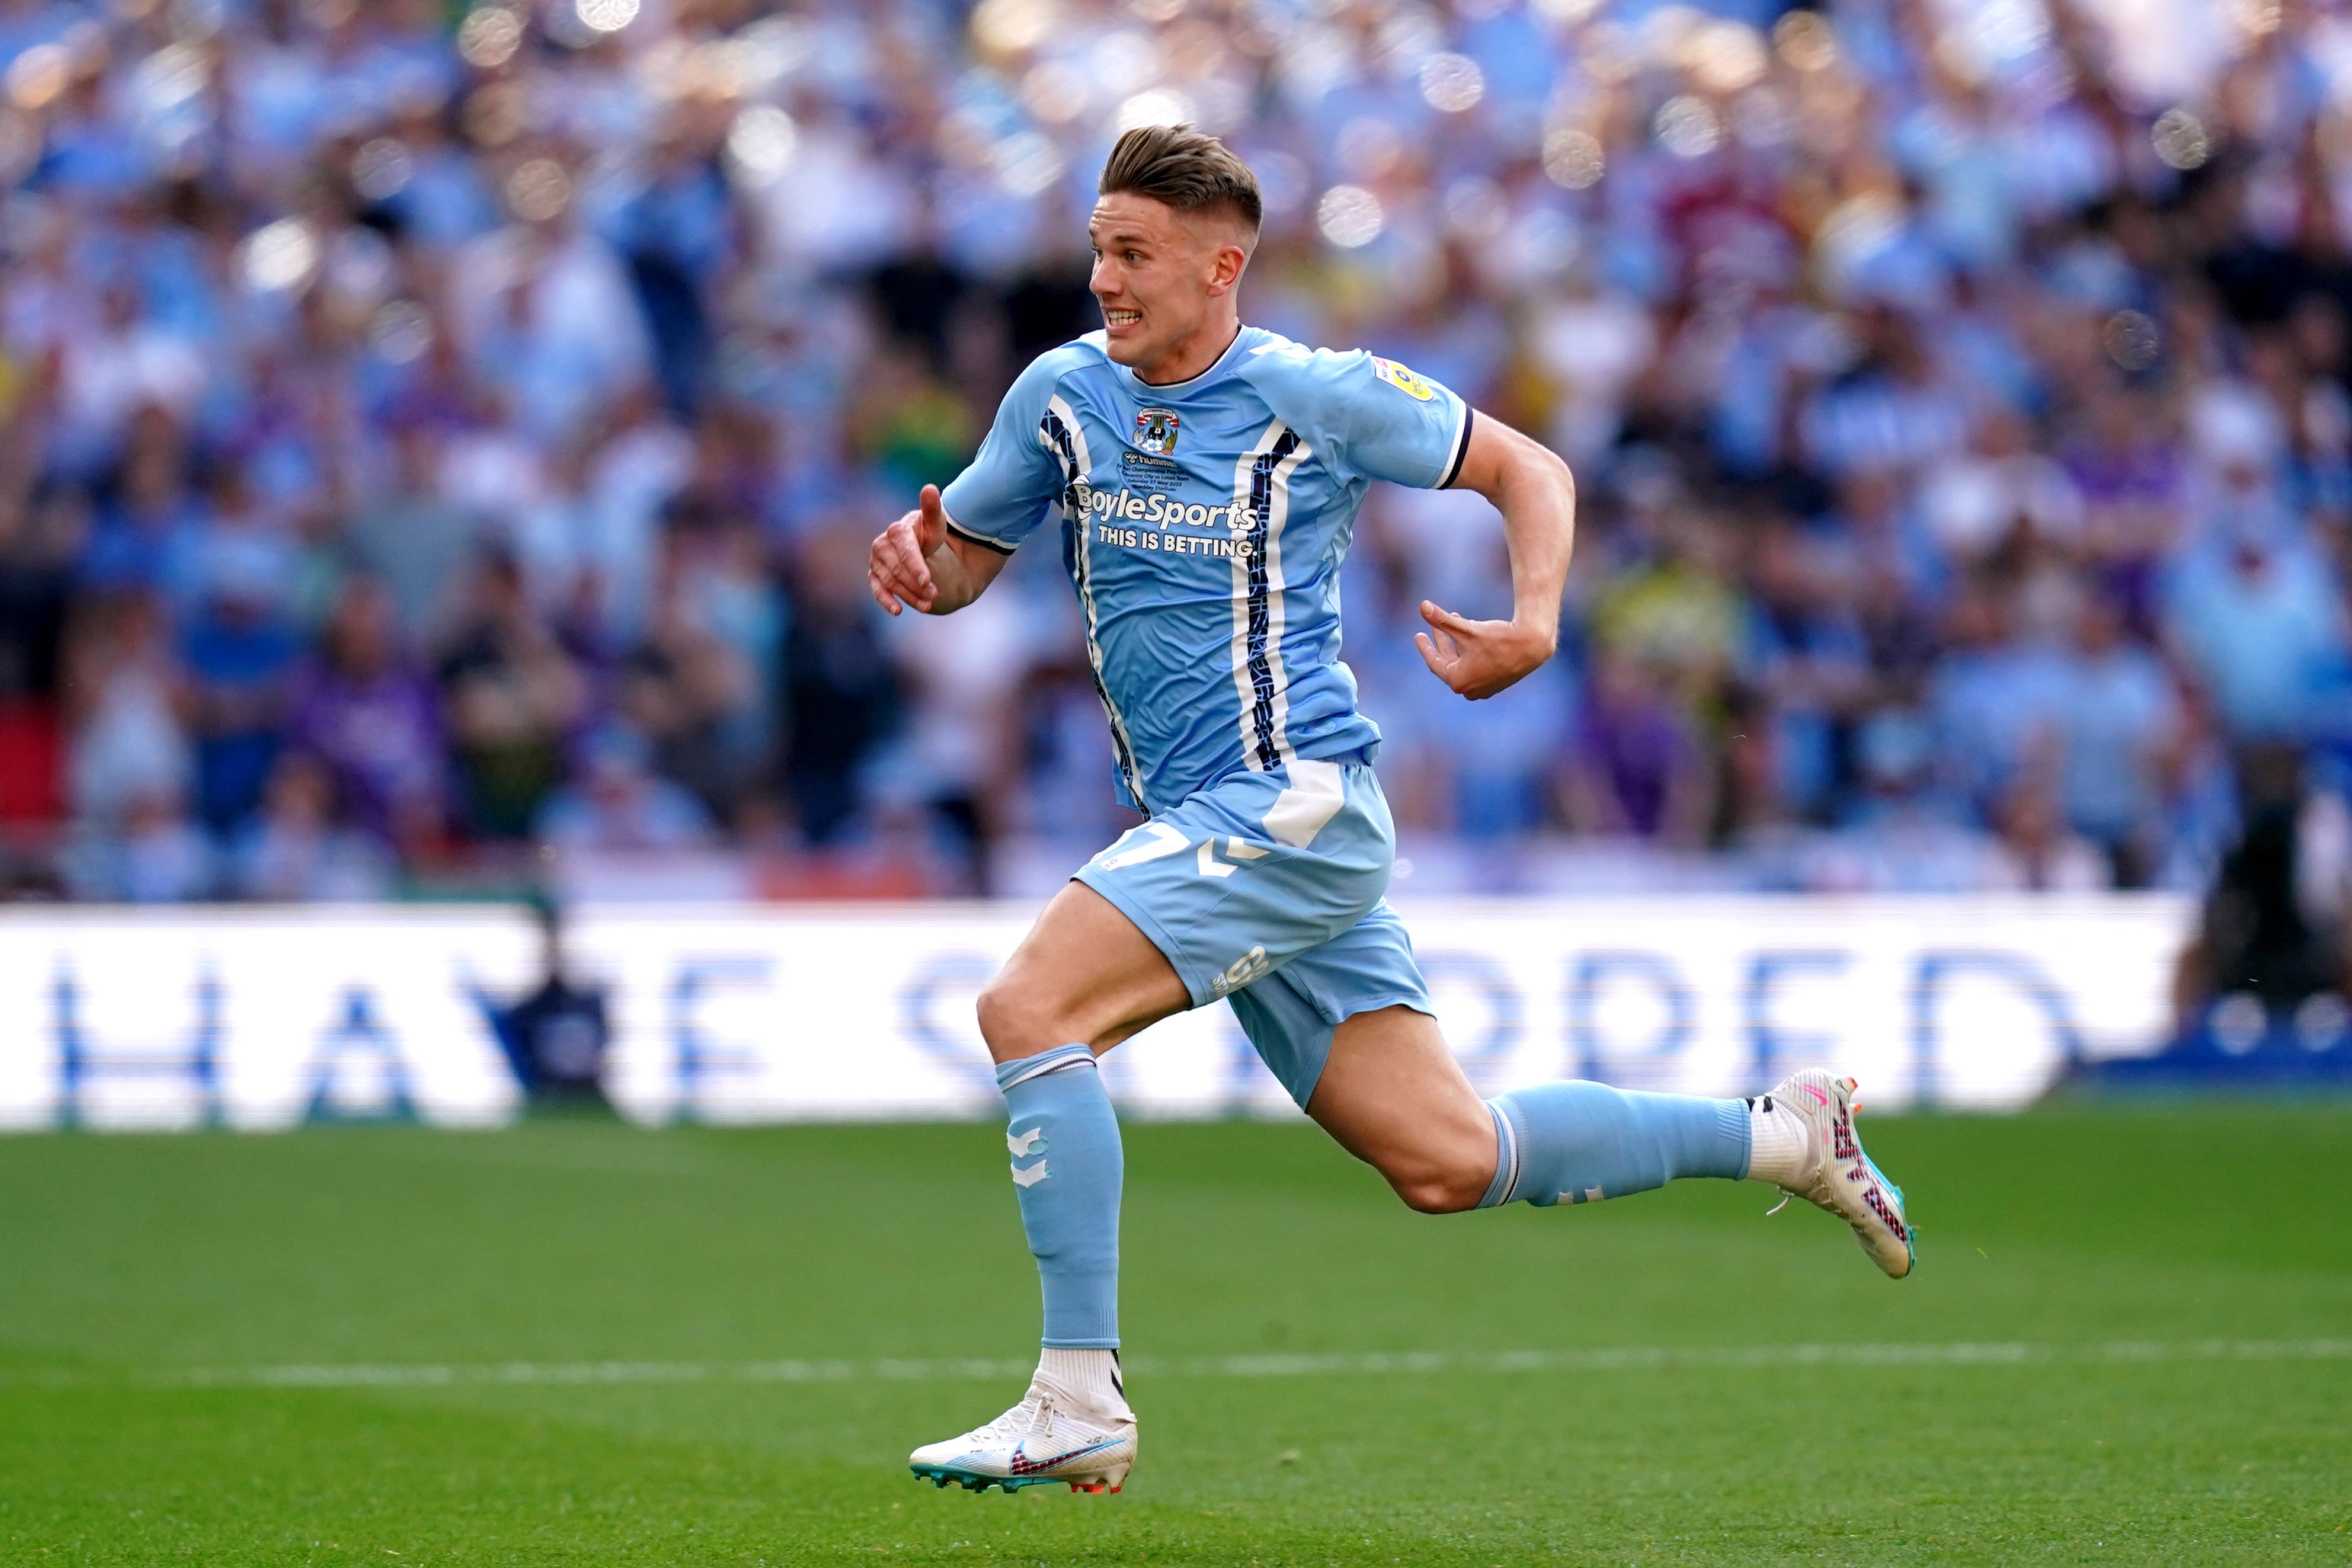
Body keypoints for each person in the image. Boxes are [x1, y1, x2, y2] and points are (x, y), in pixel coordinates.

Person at [865, 126, 1916, 1499]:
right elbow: (965, 557)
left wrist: (1533, 620)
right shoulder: (1061, 395)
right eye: (1098, 252)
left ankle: (1076, 1396)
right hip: (1217, 824)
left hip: (1287, 802)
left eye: (1133, 255)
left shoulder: (1311, 390)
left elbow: (1530, 471)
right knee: (1446, 1159)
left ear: (1220, 267)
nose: (1104, 280)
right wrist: (922, 565)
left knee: (1029, 1010)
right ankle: (1784, 1133)